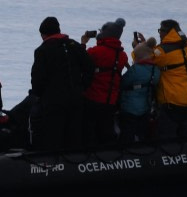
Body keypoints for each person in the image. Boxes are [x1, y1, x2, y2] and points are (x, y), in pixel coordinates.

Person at [30, 16, 94, 150]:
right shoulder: (74, 46)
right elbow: (90, 68)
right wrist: (82, 87)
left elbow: (37, 79)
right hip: (76, 98)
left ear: (43, 34)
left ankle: (55, 167)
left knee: (54, 138)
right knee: (74, 136)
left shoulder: (42, 51)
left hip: (53, 102)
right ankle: (77, 165)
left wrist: (39, 95)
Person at [147, 19, 187, 138]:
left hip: (173, 101)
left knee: (167, 137)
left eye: (160, 30)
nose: (159, 33)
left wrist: (140, 46)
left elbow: (143, 58)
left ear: (167, 32)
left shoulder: (162, 51)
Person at [81, 18, 129, 146]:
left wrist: (83, 43)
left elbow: (79, 61)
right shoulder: (123, 55)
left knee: (89, 130)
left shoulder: (95, 51)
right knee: (106, 129)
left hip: (92, 98)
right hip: (111, 101)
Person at [118, 37, 161, 143]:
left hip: (129, 106)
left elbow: (122, 83)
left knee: (127, 132)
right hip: (145, 106)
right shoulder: (155, 70)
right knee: (142, 131)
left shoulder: (135, 70)